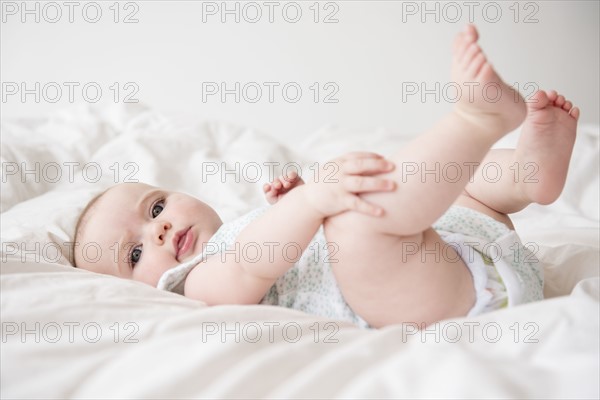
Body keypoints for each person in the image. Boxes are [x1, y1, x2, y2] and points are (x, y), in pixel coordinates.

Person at [73, 25, 579, 329]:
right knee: (362, 213)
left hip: (467, 248)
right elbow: (254, 267)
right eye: (135, 253)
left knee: (453, 183)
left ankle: (526, 175)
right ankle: (476, 122)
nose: (158, 230)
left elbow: (294, 251)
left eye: (156, 208)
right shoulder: (194, 286)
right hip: (444, 301)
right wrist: (310, 204)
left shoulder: (242, 225)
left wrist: (299, 205)